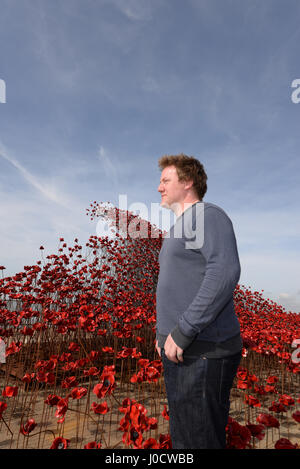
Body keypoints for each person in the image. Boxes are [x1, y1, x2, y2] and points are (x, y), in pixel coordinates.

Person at [155, 153, 242, 449]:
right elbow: (176, 284)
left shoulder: (207, 216)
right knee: (185, 438)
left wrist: (184, 329)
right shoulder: (177, 228)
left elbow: (225, 272)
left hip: (203, 351)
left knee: (198, 441)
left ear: (188, 181)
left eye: (166, 180)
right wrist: (162, 333)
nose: (159, 187)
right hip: (182, 351)